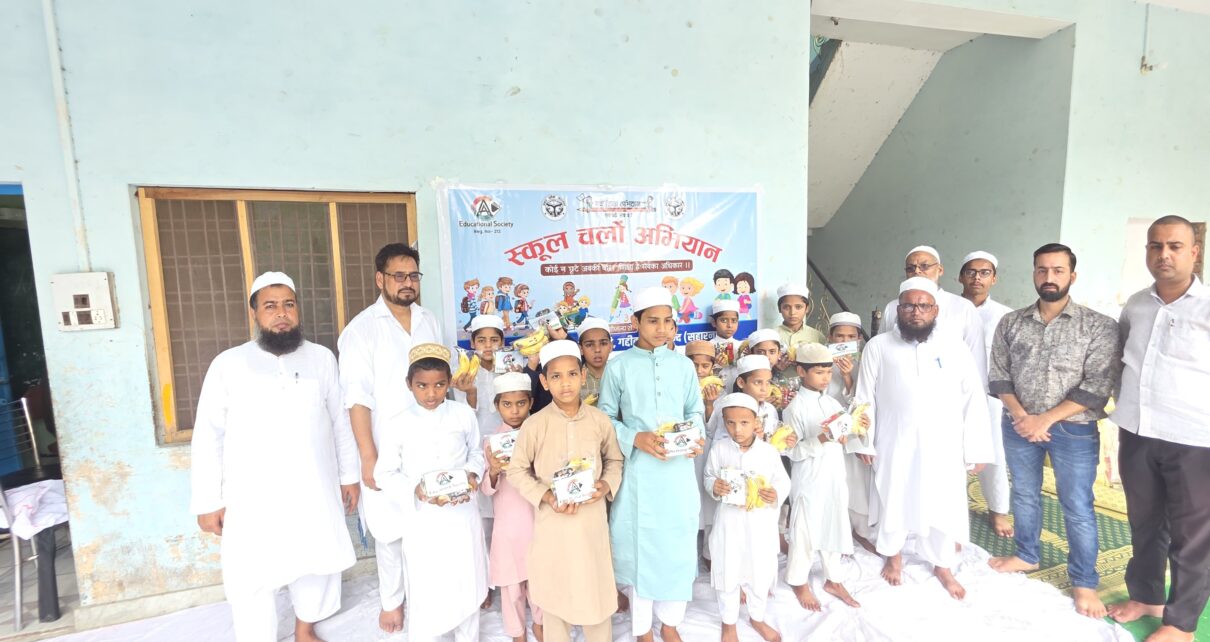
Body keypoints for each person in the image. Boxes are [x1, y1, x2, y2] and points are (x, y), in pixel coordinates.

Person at [191, 271, 359, 642]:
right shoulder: (228, 364)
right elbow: (208, 435)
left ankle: (305, 629)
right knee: (252, 571)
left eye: (288, 304)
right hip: (252, 494)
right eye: (270, 306)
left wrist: (349, 476)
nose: (281, 313)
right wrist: (207, 500)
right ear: (254, 313)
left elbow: (340, 422)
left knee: (316, 560)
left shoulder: (322, 359)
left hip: (313, 486)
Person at [986, 243, 1120, 618]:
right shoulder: (1011, 323)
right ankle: (1026, 554)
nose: (1049, 277)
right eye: (1042, 269)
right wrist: (1021, 416)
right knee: (1024, 494)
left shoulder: (1098, 326)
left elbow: (1097, 386)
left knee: (1076, 505)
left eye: (1058, 270)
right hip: (1018, 424)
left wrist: (1043, 419)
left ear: (1072, 276)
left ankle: (1084, 582)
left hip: (1074, 430)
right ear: (1034, 273)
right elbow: (999, 376)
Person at [857, 277, 993, 600]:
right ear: (898, 309)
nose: (915, 312)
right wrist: (863, 440)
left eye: (923, 306)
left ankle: (942, 564)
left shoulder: (953, 347)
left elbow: (973, 398)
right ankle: (893, 555)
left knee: (942, 501)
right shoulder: (878, 346)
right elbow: (864, 398)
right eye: (908, 306)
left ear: (935, 310)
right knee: (893, 495)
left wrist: (976, 448)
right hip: (893, 439)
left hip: (943, 445)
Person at [1107, 215, 1210, 642]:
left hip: (1195, 438)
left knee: (1193, 535)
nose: (1163, 254)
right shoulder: (1136, 304)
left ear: (1194, 252)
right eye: (1155, 246)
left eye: (1174, 246)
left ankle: (1181, 623)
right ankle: (1146, 597)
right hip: (1137, 430)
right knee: (1145, 522)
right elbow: (1123, 358)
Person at [337, 243, 442, 633]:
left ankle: (427, 594)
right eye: (399, 276)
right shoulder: (361, 330)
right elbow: (356, 398)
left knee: (429, 523)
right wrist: (368, 455)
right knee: (389, 531)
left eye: (413, 275)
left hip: (430, 442)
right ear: (380, 279)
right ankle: (392, 602)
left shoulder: (429, 320)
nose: (407, 283)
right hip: (385, 446)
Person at [598, 286, 706, 642]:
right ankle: (643, 629)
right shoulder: (618, 367)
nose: (662, 328)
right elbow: (604, 418)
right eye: (653, 321)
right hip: (639, 473)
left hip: (677, 472)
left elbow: (695, 411)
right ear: (635, 322)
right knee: (641, 548)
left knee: (677, 544)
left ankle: (671, 623)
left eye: (667, 321)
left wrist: (695, 436)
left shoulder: (684, 365)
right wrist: (635, 438)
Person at [508, 340, 624, 642]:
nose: (565, 383)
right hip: (553, 524)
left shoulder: (599, 421)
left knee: (594, 594)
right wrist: (546, 496)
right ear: (544, 382)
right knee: (555, 594)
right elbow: (516, 470)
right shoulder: (535, 425)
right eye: (556, 376)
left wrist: (605, 485)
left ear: (583, 376)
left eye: (572, 374)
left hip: (590, 522)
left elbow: (615, 460)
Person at [374, 343, 488, 642]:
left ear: (449, 382)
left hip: (462, 514)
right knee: (428, 585)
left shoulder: (462, 414)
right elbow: (384, 473)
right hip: (423, 520)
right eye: (422, 386)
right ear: (409, 384)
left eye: (439, 385)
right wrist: (416, 489)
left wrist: (472, 475)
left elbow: (476, 453)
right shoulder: (397, 423)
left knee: (466, 579)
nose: (431, 393)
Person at [703, 393, 791, 642]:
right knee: (728, 571)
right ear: (723, 422)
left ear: (756, 421)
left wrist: (775, 493)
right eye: (730, 423)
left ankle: (757, 616)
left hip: (759, 524)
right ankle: (729, 622)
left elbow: (782, 482)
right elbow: (708, 476)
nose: (737, 429)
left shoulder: (768, 452)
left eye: (744, 422)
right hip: (729, 524)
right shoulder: (719, 449)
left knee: (759, 572)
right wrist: (714, 486)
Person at [784, 343, 863, 611]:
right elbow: (792, 451)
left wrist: (852, 429)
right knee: (805, 529)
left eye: (828, 372)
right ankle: (798, 580)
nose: (826, 378)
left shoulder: (832, 402)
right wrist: (821, 438)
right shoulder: (794, 408)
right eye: (819, 372)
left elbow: (843, 436)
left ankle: (834, 579)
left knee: (834, 522)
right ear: (801, 371)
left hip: (834, 474)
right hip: (809, 478)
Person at [480, 372, 542, 642]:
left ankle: (541, 625)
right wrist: (494, 470)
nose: (514, 410)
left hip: (539, 519)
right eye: (507, 404)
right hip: (509, 525)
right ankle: (517, 632)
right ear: (497, 406)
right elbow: (485, 488)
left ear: (531, 403)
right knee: (511, 585)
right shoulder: (492, 442)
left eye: (520, 403)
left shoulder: (541, 433)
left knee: (541, 579)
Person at [958, 250, 1015, 538]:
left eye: (984, 273)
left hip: (989, 395)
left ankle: (998, 510)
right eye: (971, 272)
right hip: (949, 392)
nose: (977, 278)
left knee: (993, 452)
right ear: (960, 277)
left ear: (994, 278)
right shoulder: (948, 308)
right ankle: (948, 506)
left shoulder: (1005, 315)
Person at [878, 246, 986, 381]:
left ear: (940, 270)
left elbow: (977, 361)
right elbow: (881, 352)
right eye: (911, 268)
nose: (917, 271)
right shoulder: (892, 307)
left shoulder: (963, 307)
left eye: (924, 266)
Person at [826, 312, 878, 552]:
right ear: (830, 337)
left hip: (853, 433)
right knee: (832, 482)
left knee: (856, 483)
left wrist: (847, 376)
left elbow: (862, 402)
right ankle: (834, 530)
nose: (844, 341)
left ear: (858, 339)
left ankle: (860, 530)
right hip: (827, 432)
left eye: (850, 337)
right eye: (839, 336)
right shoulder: (821, 361)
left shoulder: (864, 364)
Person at [774, 283, 825, 384]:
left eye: (798, 307)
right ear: (779, 309)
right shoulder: (771, 335)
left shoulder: (817, 336)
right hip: (778, 387)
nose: (792, 312)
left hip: (810, 387)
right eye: (786, 307)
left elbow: (825, 366)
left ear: (807, 308)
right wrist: (775, 368)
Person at [577, 316, 613, 405]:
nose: (597, 349)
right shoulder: (575, 380)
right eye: (589, 345)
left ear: (611, 347)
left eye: (603, 343)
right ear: (581, 349)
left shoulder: (620, 375)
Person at [709, 299, 743, 391]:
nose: (729, 325)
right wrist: (716, 365)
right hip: (716, 393)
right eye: (723, 320)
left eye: (734, 320)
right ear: (714, 322)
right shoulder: (708, 347)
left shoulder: (742, 346)